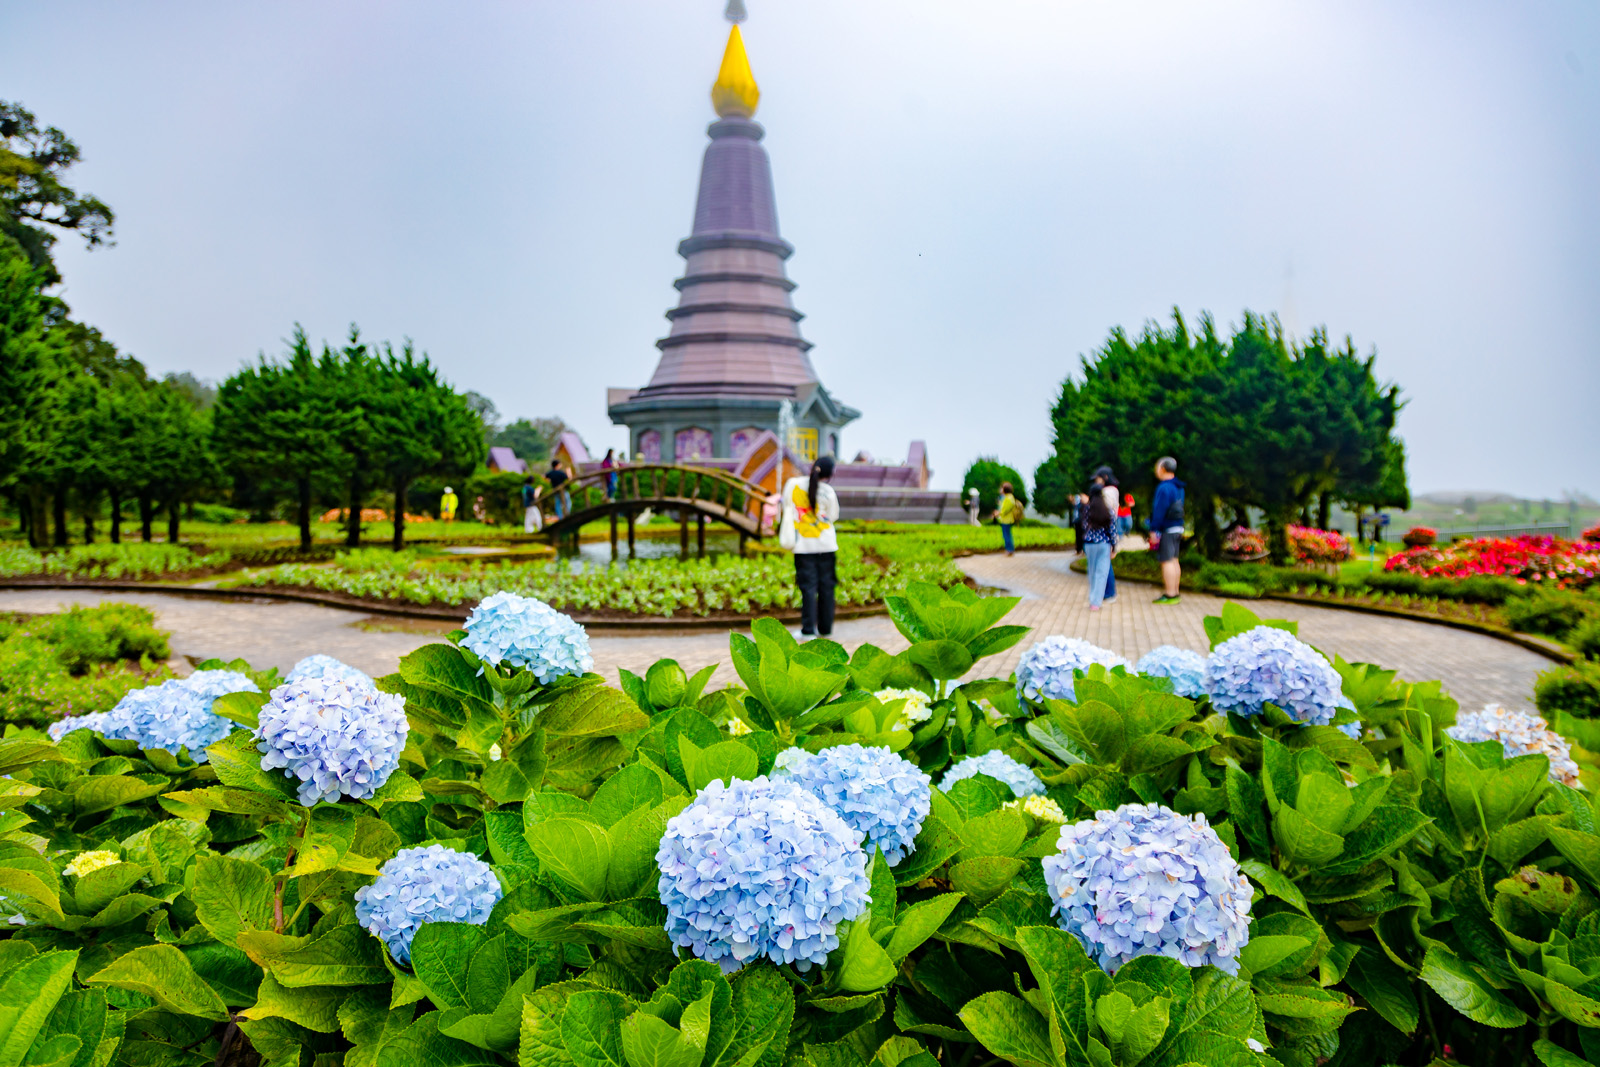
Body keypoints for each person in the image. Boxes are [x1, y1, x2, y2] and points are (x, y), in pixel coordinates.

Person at [780, 456, 840, 639]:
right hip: (827, 545)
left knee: (808, 588)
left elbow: (786, 505)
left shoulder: (793, 484)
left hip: (804, 547)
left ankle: (808, 630)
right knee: (827, 588)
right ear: (829, 474)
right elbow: (833, 516)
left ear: (814, 466)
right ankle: (825, 629)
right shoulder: (828, 492)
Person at [1149, 456, 1186, 604]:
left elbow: (1159, 509)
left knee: (1166, 561)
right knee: (1174, 560)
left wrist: (1154, 529)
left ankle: (1170, 594)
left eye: (1157, 467)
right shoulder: (1179, 487)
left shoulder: (1164, 487)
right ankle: (1175, 592)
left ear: (1163, 469)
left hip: (1168, 528)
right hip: (1178, 527)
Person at [1083, 468, 1119, 611]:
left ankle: (1093, 598)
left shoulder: (1087, 509)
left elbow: (1084, 526)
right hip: (1104, 544)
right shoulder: (1108, 510)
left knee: (1092, 572)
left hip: (1090, 544)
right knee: (1101, 573)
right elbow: (1112, 529)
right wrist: (1114, 546)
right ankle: (1096, 603)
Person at [994, 481, 1024, 556]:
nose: (1000, 489)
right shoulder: (1008, 497)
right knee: (1007, 535)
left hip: (1006, 520)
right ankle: (1009, 549)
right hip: (1007, 519)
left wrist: (998, 513)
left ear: (1005, 489)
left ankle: (1009, 550)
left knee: (1006, 535)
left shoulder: (1008, 498)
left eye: (1001, 488)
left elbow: (1005, 509)